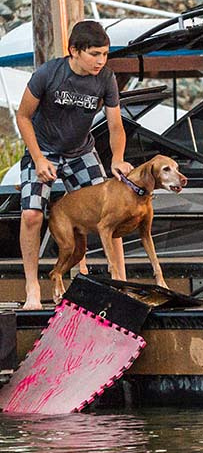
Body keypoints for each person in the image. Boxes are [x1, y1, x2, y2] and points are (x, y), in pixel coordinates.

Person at [15, 20, 132, 310]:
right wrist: (39, 159)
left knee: (112, 209)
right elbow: (23, 117)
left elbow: (116, 125)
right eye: (94, 54)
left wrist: (117, 157)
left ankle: (120, 280)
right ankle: (32, 286)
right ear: (74, 51)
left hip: (81, 152)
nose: (100, 60)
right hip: (42, 150)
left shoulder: (105, 78)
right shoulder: (49, 73)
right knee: (31, 214)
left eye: (104, 54)